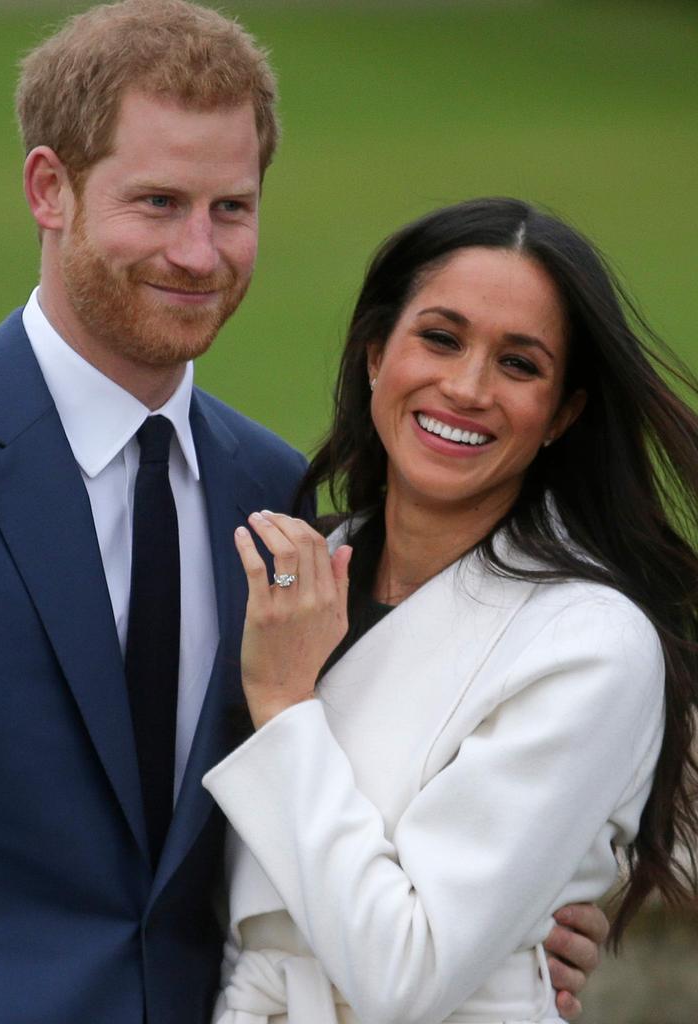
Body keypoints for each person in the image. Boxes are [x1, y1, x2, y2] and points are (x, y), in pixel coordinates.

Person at [0, 0, 603, 1018]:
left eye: (231, 208)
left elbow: (348, 802)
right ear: (49, 189)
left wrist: (524, 913)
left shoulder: (285, 496)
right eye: (157, 203)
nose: (200, 254)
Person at [204, 198, 698, 1023]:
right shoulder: (297, 580)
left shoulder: (590, 643)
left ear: (562, 415)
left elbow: (408, 974)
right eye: (440, 338)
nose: (466, 388)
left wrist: (288, 709)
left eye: (519, 364)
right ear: (374, 355)